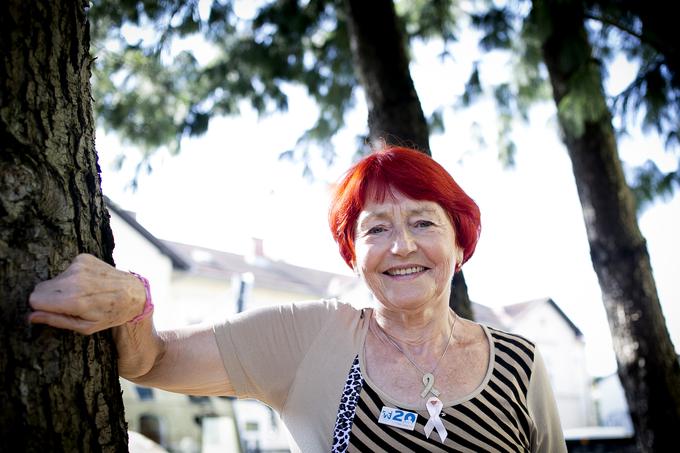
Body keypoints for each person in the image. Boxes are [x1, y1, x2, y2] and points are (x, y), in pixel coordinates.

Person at [29, 147, 566, 452]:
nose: (402, 245)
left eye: (423, 221)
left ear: (459, 241)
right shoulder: (310, 337)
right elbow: (155, 359)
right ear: (354, 253)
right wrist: (132, 299)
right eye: (376, 229)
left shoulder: (520, 364)